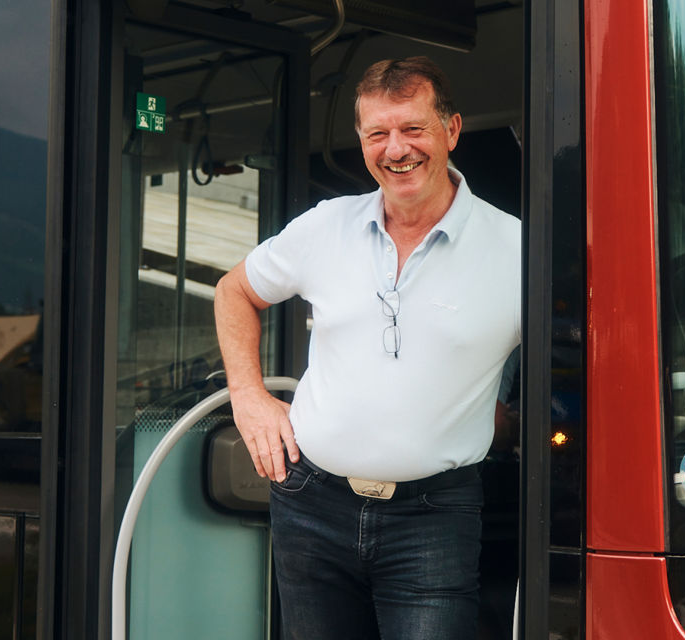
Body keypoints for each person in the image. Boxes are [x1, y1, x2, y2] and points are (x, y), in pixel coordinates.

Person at [214, 56, 520, 640]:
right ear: (361, 142)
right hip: (310, 505)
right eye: (378, 133)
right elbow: (234, 292)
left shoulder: (518, 250)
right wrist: (248, 397)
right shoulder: (324, 226)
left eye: (412, 128)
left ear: (451, 130)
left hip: (434, 520)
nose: (395, 149)